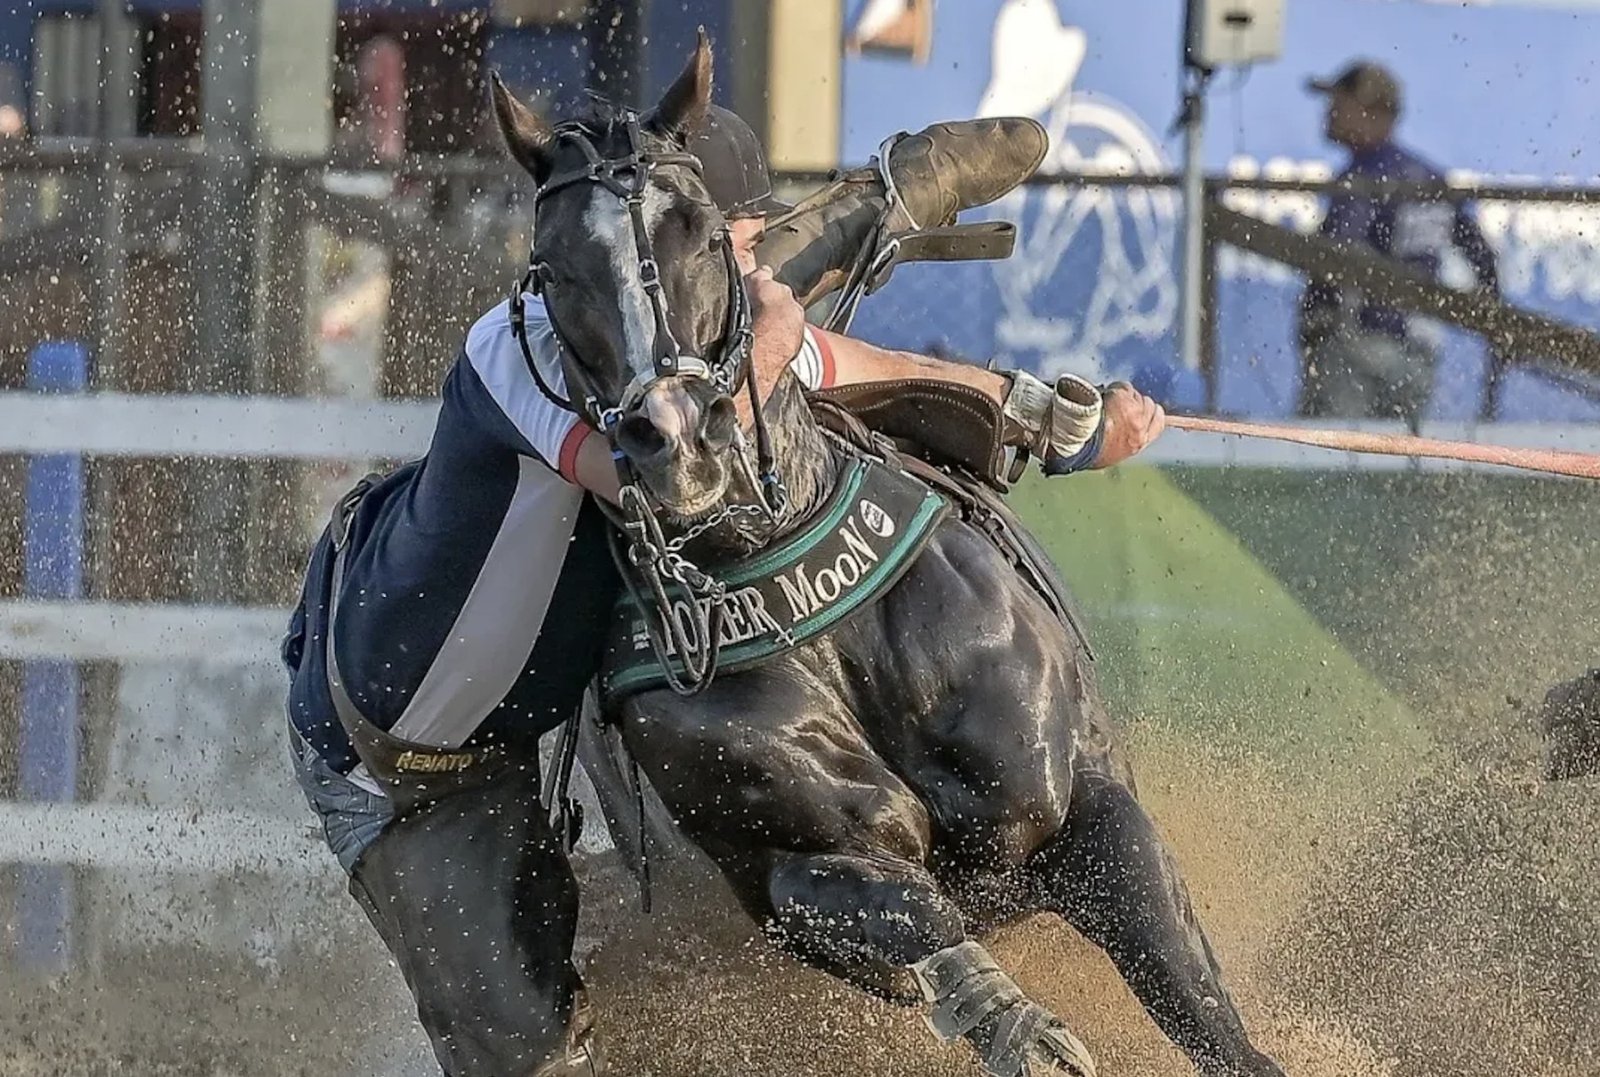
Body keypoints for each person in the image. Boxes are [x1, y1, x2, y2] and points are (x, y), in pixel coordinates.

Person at [282, 98, 1167, 1077]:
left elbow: (843, 365)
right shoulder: (528, 346)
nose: (747, 279)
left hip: (510, 710)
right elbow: (676, 466)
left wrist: (1049, 414)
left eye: (749, 251)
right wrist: (795, 308)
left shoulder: (699, 337)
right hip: (406, 766)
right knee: (526, 1058)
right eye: (738, 251)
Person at [1297, 60, 1500, 431]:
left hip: (1355, 347)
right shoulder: (1431, 177)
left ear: (1370, 111)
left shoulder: (1363, 178)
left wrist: (1315, 312)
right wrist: (1490, 312)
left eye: (1339, 103)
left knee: (1329, 466)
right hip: (1418, 353)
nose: (1329, 114)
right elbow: (1483, 259)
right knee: (1392, 472)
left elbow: (1337, 254)